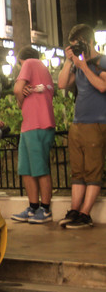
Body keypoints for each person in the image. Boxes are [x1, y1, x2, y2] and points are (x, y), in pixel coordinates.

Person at [57, 24, 106, 229]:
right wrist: (70, 62)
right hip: (78, 123)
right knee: (77, 171)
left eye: (78, 46)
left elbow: (103, 86)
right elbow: (61, 84)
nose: (76, 50)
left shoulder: (101, 61)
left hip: (97, 122)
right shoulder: (76, 63)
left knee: (93, 171)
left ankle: (85, 214)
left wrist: (85, 65)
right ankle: (75, 211)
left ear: (89, 42)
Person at [10, 47, 56, 224]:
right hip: (30, 125)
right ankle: (34, 207)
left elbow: (17, 89)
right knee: (27, 169)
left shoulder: (30, 62)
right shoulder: (43, 70)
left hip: (37, 123)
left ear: (21, 60)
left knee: (39, 168)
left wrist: (20, 98)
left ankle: (45, 210)